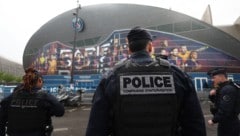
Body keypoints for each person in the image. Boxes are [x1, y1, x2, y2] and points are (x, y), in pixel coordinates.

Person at [86, 26, 206, 136]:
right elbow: (195, 125)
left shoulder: (111, 77)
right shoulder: (178, 75)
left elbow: (96, 127)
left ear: (129, 49)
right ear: (149, 47)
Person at [0, 67, 65, 136]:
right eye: (43, 82)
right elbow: (60, 111)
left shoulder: (10, 97)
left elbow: (1, 121)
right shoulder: (44, 97)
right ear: (39, 80)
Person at [207, 67, 240, 136]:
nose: (212, 80)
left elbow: (225, 110)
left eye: (214, 77)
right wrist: (211, 95)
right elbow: (218, 102)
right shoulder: (224, 88)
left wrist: (214, 120)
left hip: (229, 125)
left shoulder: (227, 89)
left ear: (221, 77)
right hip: (226, 123)